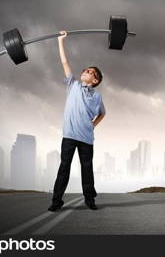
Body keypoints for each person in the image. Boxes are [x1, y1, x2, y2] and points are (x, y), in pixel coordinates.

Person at [48, 30, 106, 212]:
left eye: (89, 71)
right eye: (85, 69)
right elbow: (64, 61)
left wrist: (93, 125)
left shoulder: (97, 97)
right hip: (70, 135)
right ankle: (56, 201)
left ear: (95, 79)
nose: (85, 71)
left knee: (86, 170)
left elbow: (103, 114)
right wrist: (60, 41)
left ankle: (90, 200)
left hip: (87, 139)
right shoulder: (73, 85)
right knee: (64, 168)